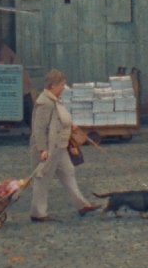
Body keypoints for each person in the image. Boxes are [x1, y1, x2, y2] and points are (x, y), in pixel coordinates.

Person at [27, 70, 98, 222]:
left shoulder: (55, 99)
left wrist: (70, 126)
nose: (63, 88)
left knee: (68, 172)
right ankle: (38, 213)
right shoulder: (45, 102)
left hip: (60, 147)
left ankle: (82, 205)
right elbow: (39, 129)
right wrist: (42, 149)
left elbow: (59, 119)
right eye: (62, 85)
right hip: (49, 149)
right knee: (42, 178)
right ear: (53, 86)